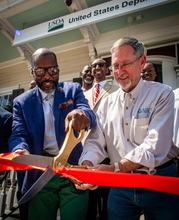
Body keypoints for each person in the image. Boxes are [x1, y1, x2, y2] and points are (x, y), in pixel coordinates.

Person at [78, 37, 179, 220]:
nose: (120, 72)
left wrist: (115, 168)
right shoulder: (107, 103)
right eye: (116, 66)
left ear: (142, 62)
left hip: (159, 180)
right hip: (120, 185)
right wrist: (87, 168)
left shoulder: (162, 94)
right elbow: (95, 141)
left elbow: (155, 145)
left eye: (125, 64)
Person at [9, 48, 96, 220]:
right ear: (32, 71)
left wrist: (82, 115)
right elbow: (18, 134)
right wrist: (21, 151)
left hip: (72, 168)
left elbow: (88, 112)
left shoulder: (72, 90)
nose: (48, 77)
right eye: (41, 71)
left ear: (58, 69)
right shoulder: (21, 102)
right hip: (41, 171)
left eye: (53, 70)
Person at [84, 58, 118, 220]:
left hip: (109, 150)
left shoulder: (116, 89)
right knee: (89, 197)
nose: (97, 67)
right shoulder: (83, 94)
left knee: (107, 196)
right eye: (94, 65)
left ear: (107, 70)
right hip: (87, 151)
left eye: (101, 65)